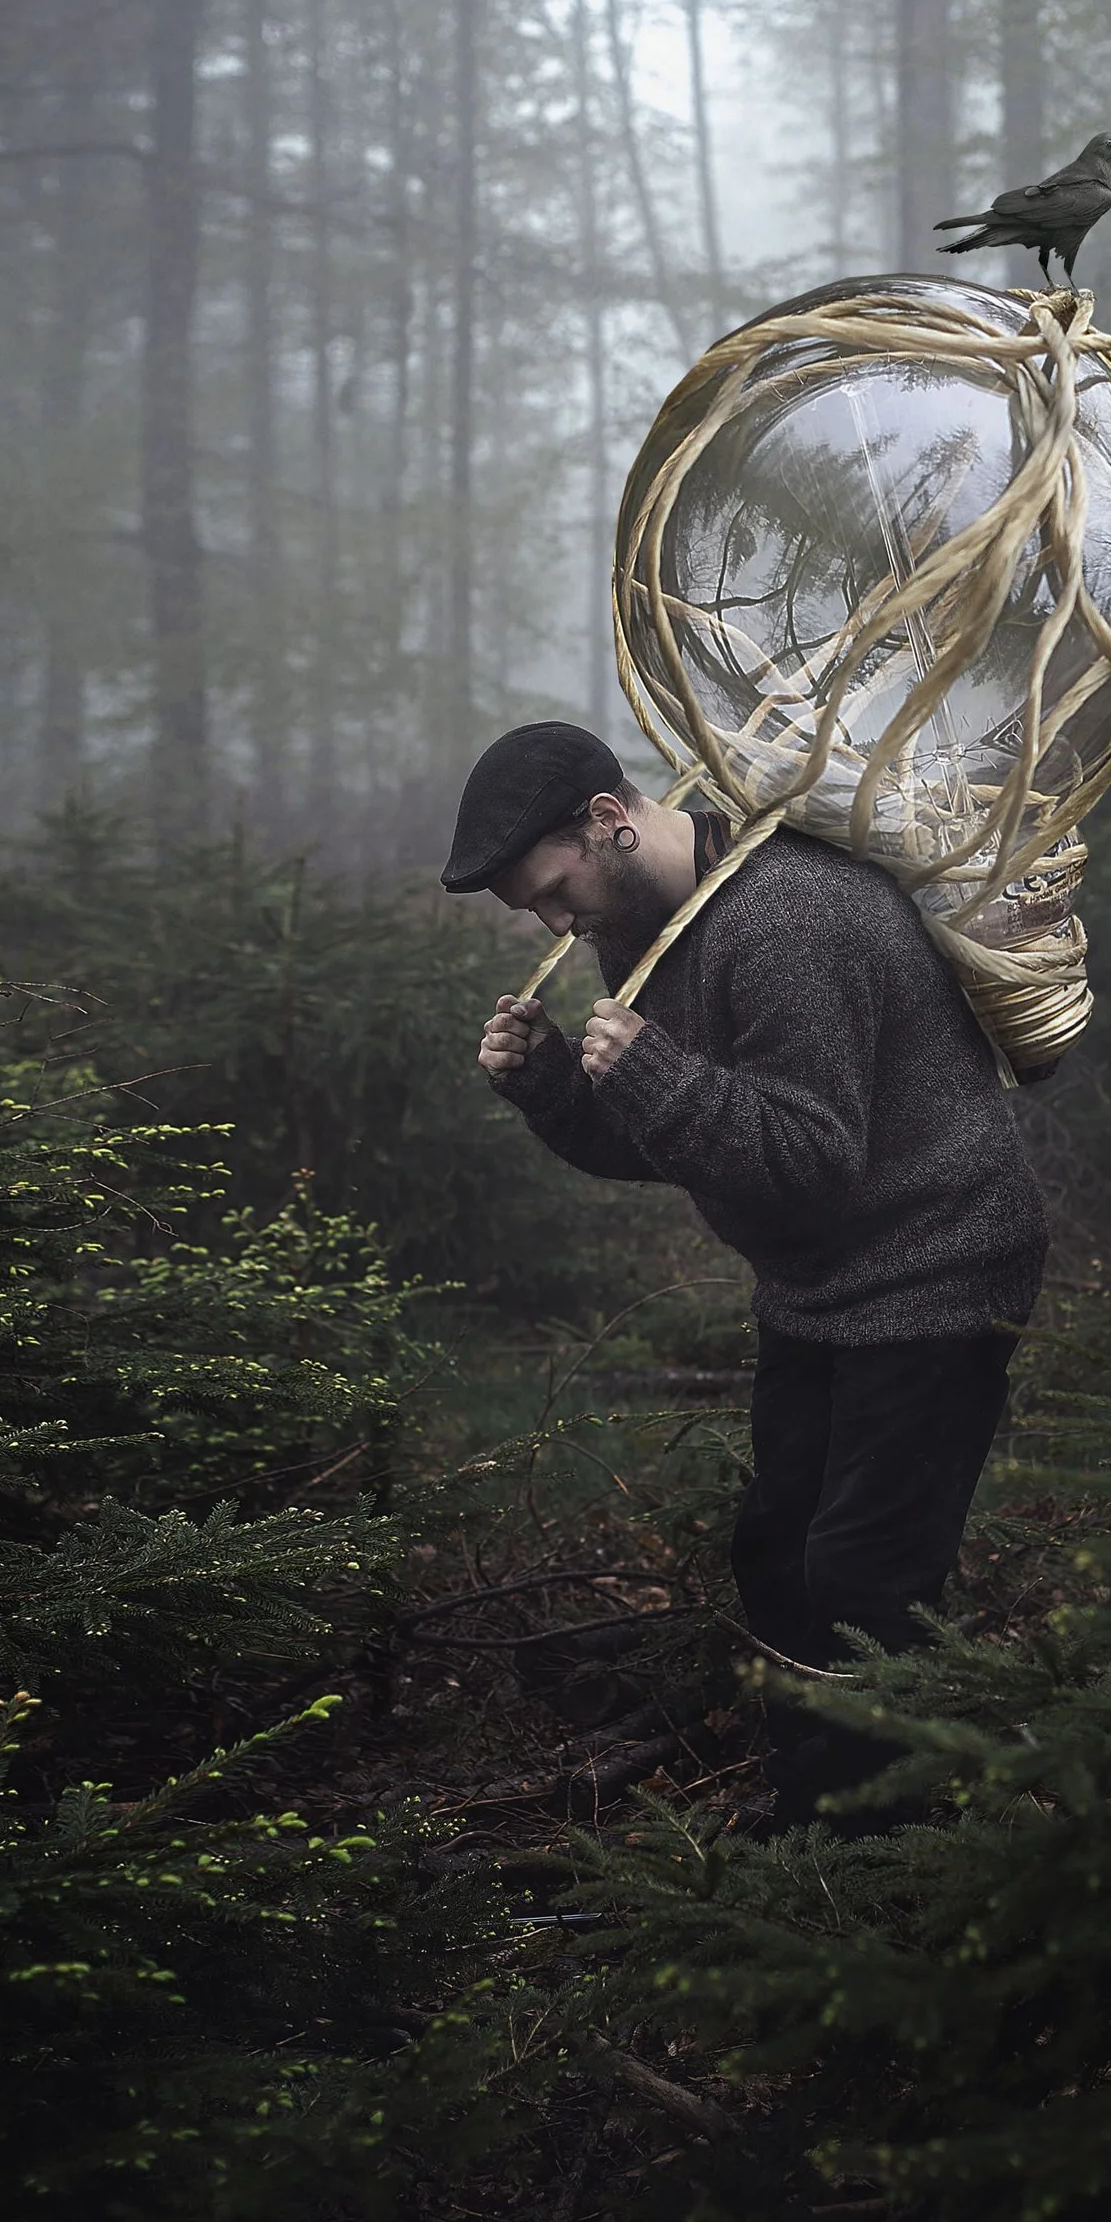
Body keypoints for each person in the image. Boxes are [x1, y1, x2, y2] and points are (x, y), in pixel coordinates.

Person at [444, 721, 1048, 1824]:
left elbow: (809, 1162)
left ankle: (879, 1843)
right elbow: (673, 1144)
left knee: (868, 1575)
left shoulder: (788, 917)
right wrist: (552, 1087)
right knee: (777, 1550)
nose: (553, 921)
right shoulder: (642, 926)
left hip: (938, 1260)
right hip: (822, 1281)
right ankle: (816, 1802)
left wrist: (658, 1073)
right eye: (533, 910)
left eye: (553, 890)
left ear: (609, 822)